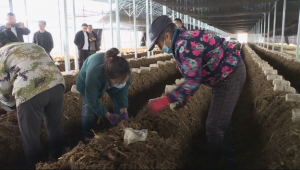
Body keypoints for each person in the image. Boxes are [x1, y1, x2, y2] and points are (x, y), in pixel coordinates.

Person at [147, 15, 246, 169]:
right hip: (220, 75)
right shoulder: (182, 40)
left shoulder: (185, 45)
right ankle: (213, 150)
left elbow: (193, 81)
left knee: (214, 126)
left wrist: (164, 101)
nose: (160, 49)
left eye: (159, 44)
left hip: (230, 74)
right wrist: (182, 95)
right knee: (214, 120)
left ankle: (215, 162)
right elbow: (193, 76)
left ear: (167, 36)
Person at [0, 30, 65, 168]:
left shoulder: (2, 52)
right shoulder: (33, 46)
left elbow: (4, 86)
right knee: (54, 125)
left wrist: (10, 103)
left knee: (30, 135)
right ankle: (58, 158)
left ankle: (36, 165)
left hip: (30, 91)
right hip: (57, 85)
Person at [76, 48, 131, 141]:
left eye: (124, 81)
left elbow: (122, 95)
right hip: (88, 80)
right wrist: (109, 116)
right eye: (119, 82)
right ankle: (88, 137)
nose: (122, 84)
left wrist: (124, 111)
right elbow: (92, 100)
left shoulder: (124, 73)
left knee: (118, 105)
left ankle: (119, 130)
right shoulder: (94, 74)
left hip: (110, 78)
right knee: (88, 108)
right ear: (109, 78)